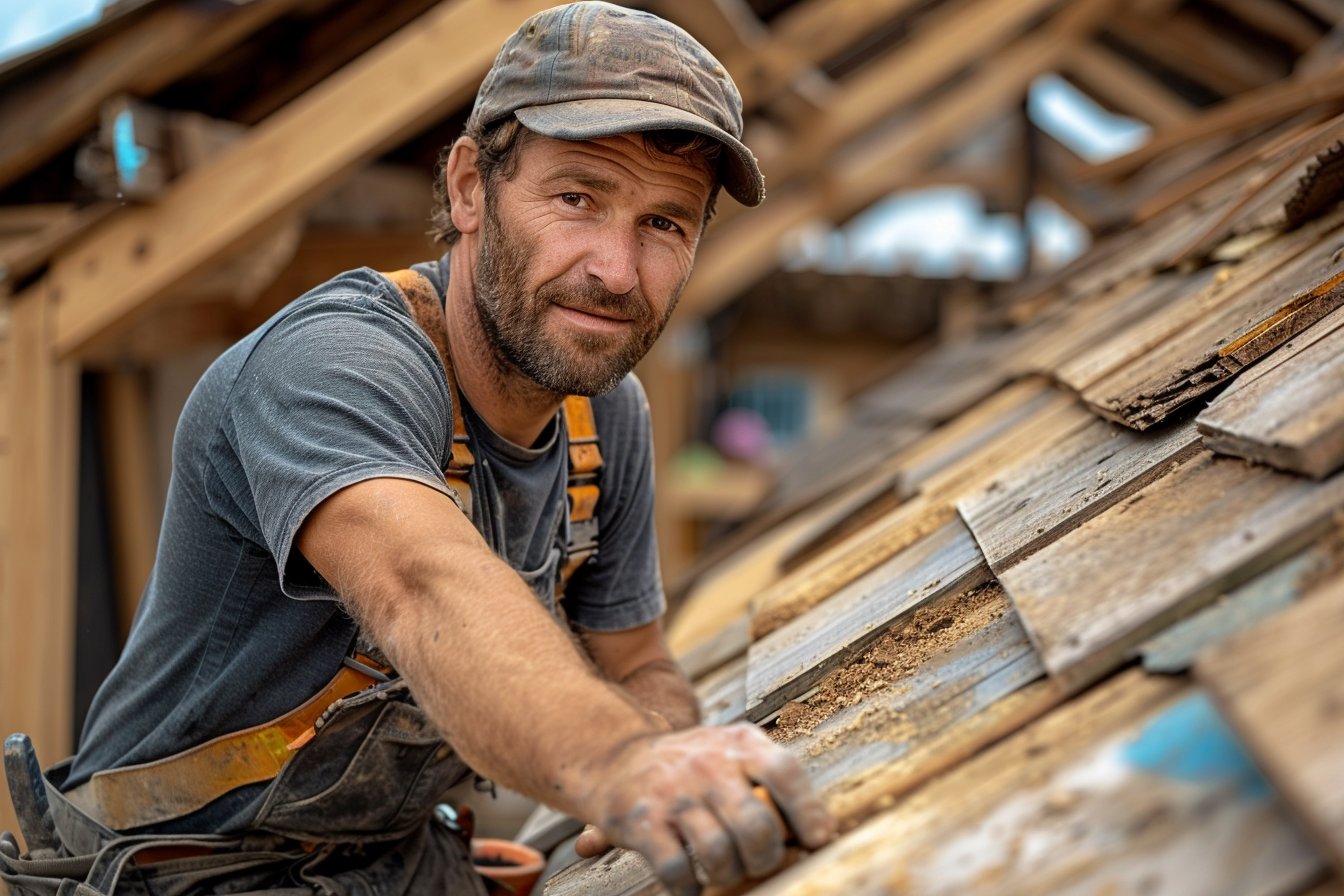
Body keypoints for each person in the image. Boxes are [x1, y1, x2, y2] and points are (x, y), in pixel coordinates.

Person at [0, 3, 834, 895]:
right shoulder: (336, 361)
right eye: (577, 198)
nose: (616, 270)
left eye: (665, 223)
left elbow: (638, 664)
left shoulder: (605, 417)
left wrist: (659, 745)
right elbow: (417, 582)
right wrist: (621, 763)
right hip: (181, 873)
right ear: (471, 186)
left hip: (397, 865)